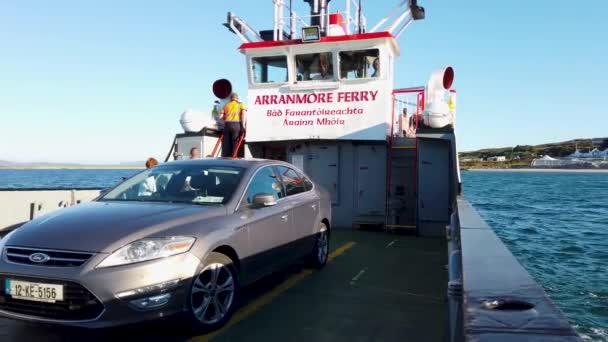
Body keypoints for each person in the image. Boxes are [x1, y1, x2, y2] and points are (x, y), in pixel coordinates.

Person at [221, 92, 246, 157]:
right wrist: (243, 125)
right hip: (236, 124)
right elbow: (243, 114)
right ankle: (234, 156)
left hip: (227, 125)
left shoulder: (226, 105)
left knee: (227, 142)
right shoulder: (240, 104)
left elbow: (220, 116)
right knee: (235, 141)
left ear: (230, 99)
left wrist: (224, 120)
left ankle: (226, 156)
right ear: (237, 98)